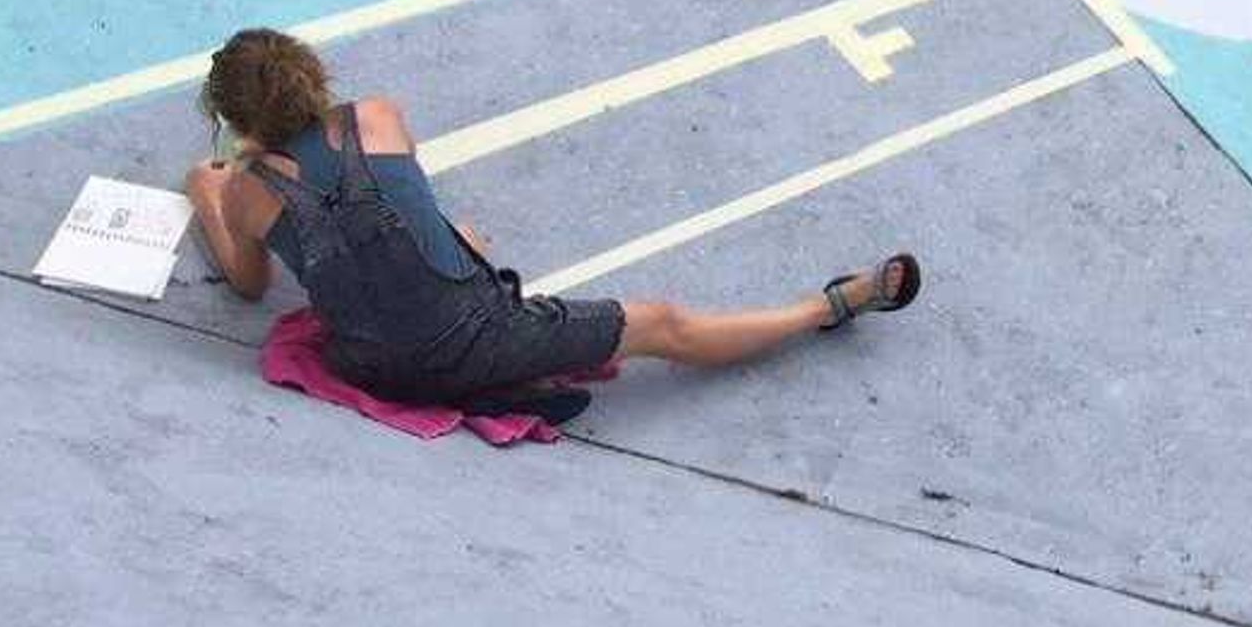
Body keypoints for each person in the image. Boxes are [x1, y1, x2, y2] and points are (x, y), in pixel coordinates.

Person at [182, 28, 920, 421]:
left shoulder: (247, 194)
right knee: (663, 323)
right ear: (314, 74)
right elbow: (393, 201)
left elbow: (249, 285)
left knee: (449, 245)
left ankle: (492, 365)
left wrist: (207, 197)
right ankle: (831, 304)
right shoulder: (377, 118)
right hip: (472, 336)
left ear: (232, 122)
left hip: (368, 361)